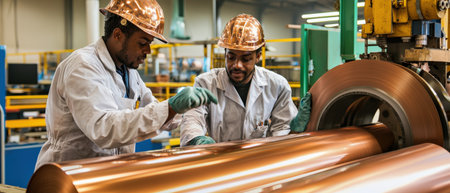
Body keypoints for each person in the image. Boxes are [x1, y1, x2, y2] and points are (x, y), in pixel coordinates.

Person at [35, 0, 217, 169]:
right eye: (143, 43)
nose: (148, 51)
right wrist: (171, 107)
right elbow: (104, 129)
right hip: (68, 172)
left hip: (106, 172)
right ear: (117, 35)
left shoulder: (129, 72)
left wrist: (189, 128)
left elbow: (155, 111)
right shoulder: (83, 66)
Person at [180, 14, 310, 146]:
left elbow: (282, 129)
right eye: (231, 57)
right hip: (219, 159)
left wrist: (291, 132)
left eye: (245, 59)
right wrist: (196, 139)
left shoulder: (276, 85)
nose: (237, 65)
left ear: (257, 56)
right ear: (225, 54)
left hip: (259, 160)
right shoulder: (205, 84)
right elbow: (192, 120)